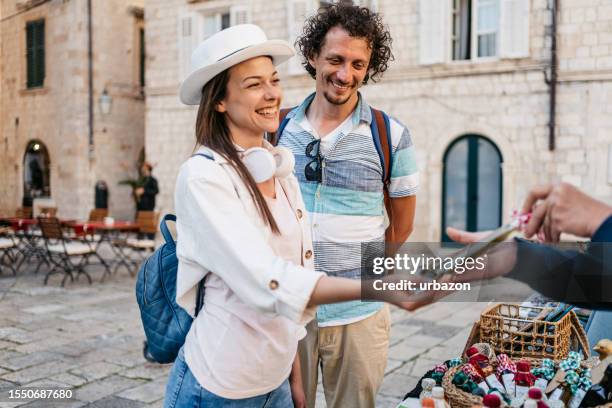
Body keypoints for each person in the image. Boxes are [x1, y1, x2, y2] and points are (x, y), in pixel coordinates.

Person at [165, 24, 414, 408]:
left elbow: (398, 225)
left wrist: (292, 381)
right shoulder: (209, 173)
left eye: (274, 80)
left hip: (298, 359)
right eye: (253, 84)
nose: (270, 94)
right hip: (224, 382)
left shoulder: (283, 169)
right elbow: (271, 279)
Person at [276, 4, 418, 407]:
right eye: (335, 59)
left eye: (358, 63)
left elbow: (401, 228)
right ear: (312, 56)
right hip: (289, 311)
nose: (345, 74)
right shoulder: (278, 130)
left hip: (360, 315)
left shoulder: (391, 135)